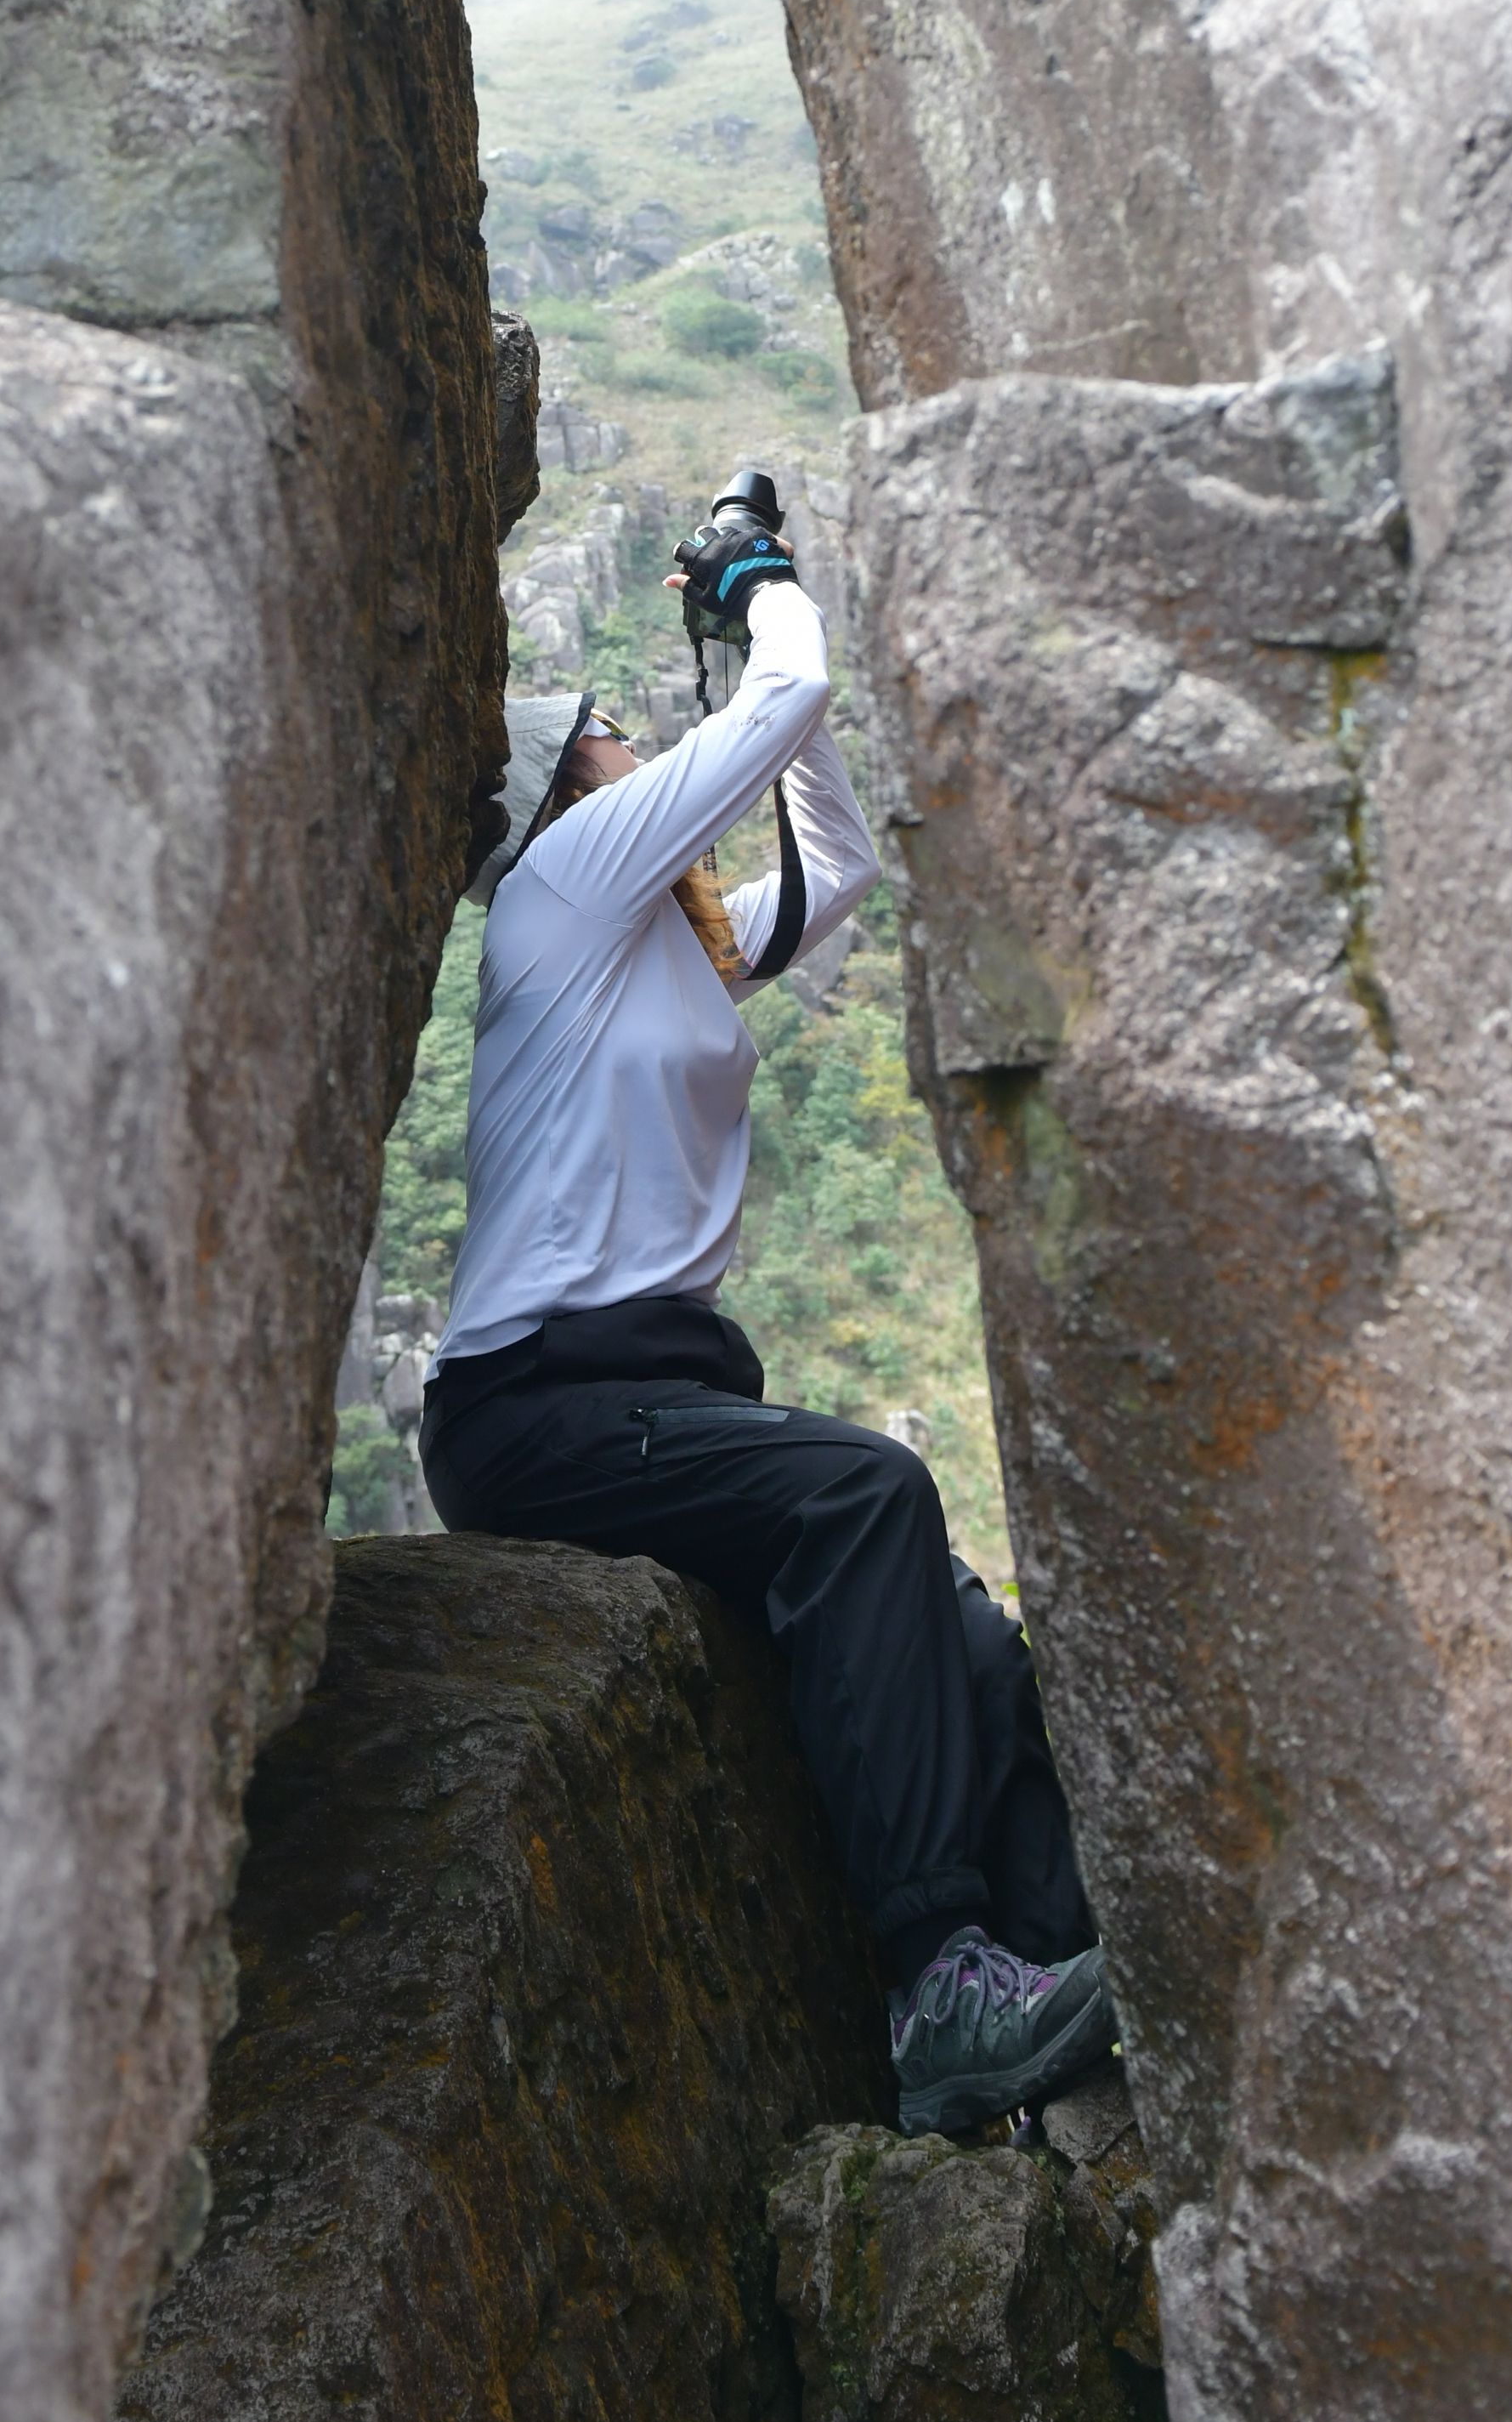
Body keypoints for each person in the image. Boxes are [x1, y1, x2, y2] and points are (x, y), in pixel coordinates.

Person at [420, 494, 1114, 2137]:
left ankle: (1054, 1992)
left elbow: (840, 860)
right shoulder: (566, 891)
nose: (629, 734)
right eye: (605, 725)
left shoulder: (671, 943)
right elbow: (792, 697)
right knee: (868, 1496)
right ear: (564, 787)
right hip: (538, 1402)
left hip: (651, 1395)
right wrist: (759, 585)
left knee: (959, 1631)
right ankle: (937, 1985)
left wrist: (751, 657)